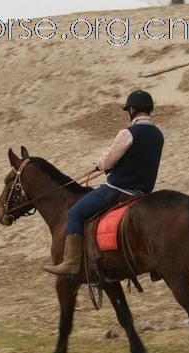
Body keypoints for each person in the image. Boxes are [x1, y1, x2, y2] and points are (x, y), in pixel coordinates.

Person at [43, 90, 164, 276]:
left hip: (117, 190)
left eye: (128, 110)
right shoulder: (158, 135)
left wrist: (100, 165)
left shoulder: (127, 133)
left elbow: (110, 160)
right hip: (143, 193)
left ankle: (71, 262)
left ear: (132, 109)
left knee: (74, 214)